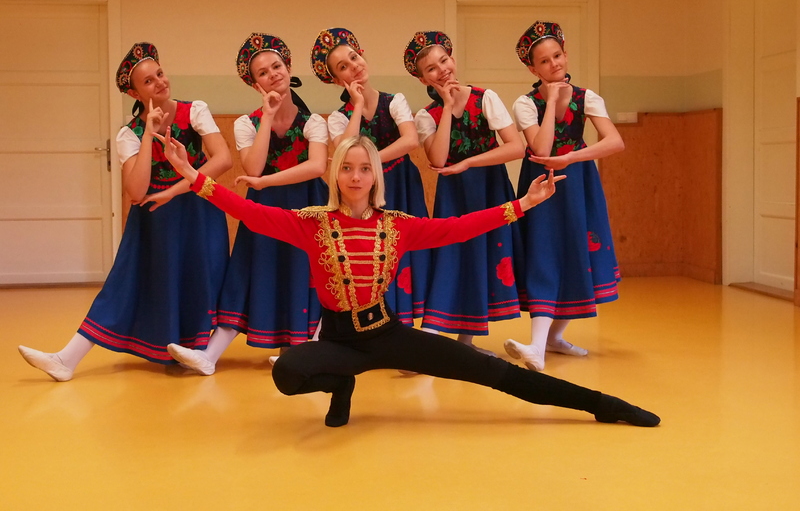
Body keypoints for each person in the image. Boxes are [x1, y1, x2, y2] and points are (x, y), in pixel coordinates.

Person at [159, 133, 658, 429]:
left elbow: (457, 228)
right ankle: (342, 385)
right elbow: (246, 210)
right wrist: (190, 173)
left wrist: (522, 204)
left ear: (375, 176)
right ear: (336, 175)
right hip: (337, 341)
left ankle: (601, 406)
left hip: (388, 334)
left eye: (364, 169)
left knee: (488, 371)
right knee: (287, 373)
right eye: (347, 169)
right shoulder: (312, 223)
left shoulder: (396, 226)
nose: (356, 177)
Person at [18, 42, 231, 380]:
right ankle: (66, 359)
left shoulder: (195, 111)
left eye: (159, 74)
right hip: (155, 223)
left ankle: (200, 353)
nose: (159, 82)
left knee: (202, 279)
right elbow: (136, 190)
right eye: (148, 81)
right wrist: (148, 135)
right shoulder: (128, 134)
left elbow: (223, 160)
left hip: (199, 213)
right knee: (126, 284)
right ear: (134, 92)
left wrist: (174, 191)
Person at [168, 33, 329, 375]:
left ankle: (305, 352)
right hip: (263, 211)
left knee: (306, 276)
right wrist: (268, 116)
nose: (273, 75)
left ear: (288, 68)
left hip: (307, 208)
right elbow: (253, 167)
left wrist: (266, 182)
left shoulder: (313, 122)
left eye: (277, 66)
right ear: (255, 84)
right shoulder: (247, 123)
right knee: (246, 274)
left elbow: (317, 167)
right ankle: (209, 356)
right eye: (263, 73)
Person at [504, 21, 625, 372]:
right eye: (544, 61)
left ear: (566, 55)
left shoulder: (588, 97)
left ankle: (551, 340)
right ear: (533, 70)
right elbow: (541, 149)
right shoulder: (526, 103)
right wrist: (553, 100)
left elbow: (614, 142)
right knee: (544, 254)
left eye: (557, 56)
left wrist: (571, 158)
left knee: (577, 252)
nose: (554, 64)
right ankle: (538, 347)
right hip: (540, 187)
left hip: (579, 184)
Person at [405, 31, 525, 353]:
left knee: (482, 259)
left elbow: (516, 147)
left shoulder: (485, 98)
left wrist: (469, 162)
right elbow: (438, 159)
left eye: (444, 60)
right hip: (453, 197)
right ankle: (427, 345)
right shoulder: (426, 115)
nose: (441, 70)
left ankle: (465, 344)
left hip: (489, 189)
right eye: (431, 68)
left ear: (453, 59)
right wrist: (446, 106)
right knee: (451, 259)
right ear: (423, 79)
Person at [310, 27, 428, 324]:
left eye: (353, 57)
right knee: (371, 256)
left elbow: (410, 140)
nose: (353, 66)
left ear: (362, 55)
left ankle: (406, 326)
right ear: (336, 79)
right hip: (363, 194)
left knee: (405, 254)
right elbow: (346, 154)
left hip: (401, 184)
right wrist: (358, 106)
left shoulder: (395, 100)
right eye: (343, 67)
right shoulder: (338, 118)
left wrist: (369, 162)